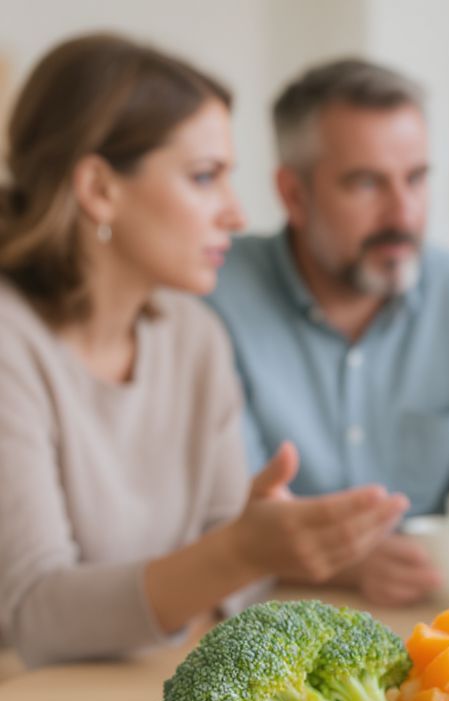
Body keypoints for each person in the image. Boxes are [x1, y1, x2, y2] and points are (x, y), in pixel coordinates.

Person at [0, 35, 407, 668]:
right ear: (99, 188)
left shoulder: (193, 337)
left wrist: (254, 547)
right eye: (203, 177)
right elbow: (33, 611)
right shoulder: (12, 343)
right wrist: (243, 551)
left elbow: (232, 568)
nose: (237, 215)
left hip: (143, 690)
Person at [207, 58, 449, 607]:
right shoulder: (216, 299)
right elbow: (222, 516)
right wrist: (352, 566)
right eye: (366, 183)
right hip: (275, 627)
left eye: (416, 178)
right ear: (293, 195)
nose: (403, 213)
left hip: (438, 620)